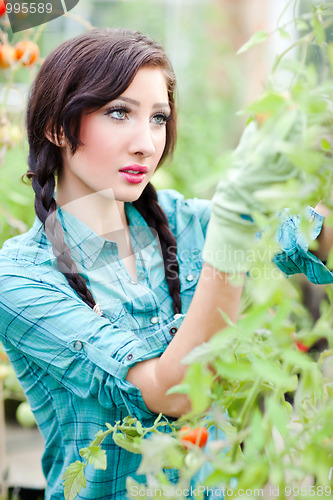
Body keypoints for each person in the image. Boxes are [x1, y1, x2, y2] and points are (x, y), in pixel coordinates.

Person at [0, 28, 330, 500]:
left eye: (158, 118)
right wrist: (231, 244)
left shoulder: (180, 222)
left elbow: (306, 240)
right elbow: (169, 392)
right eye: (119, 113)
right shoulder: (20, 276)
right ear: (56, 126)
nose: (146, 143)